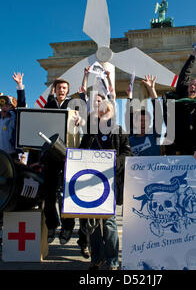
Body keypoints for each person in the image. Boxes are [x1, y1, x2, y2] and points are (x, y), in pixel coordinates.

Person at [78, 91, 133, 270]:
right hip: (89, 182)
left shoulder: (118, 131)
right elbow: (80, 152)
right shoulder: (89, 131)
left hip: (109, 182)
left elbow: (127, 153)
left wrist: (115, 162)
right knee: (91, 223)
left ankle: (112, 261)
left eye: (102, 104)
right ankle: (97, 259)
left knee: (109, 223)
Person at [41, 77, 86, 249]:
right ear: (55, 89)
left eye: (65, 88)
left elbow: (84, 119)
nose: (62, 90)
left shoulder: (73, 104)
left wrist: (80, 121)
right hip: (51, 155)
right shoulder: (49, 104)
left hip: (68, 153)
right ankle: (52, 224)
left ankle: (68, 227)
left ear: (68, 90)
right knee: (48, 192)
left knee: (68, 193)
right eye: (59, 87)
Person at [0, 72, 26, 236]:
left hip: (11, 157)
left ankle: (11, 220)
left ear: (12, 106)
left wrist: (19, 85)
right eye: (2, 105)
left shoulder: (15, 116)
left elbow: (22, 104)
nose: (4, 108)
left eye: (7, 105)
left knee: (11, 188)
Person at [162, 48, 196, 160]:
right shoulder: (181, 101)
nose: (192, 86)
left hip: (192, 154)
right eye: (190, 85)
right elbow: (184, 77)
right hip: (173, 152)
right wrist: (192, 57)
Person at [126, 75, 162, 156]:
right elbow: (129, 116)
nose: (143, 123)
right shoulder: (130, 140)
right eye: (140, 121)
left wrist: (151, 89)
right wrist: (130, 96)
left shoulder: (154, 135)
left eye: (145, 121)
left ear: (149, 123)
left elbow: (158, 113)